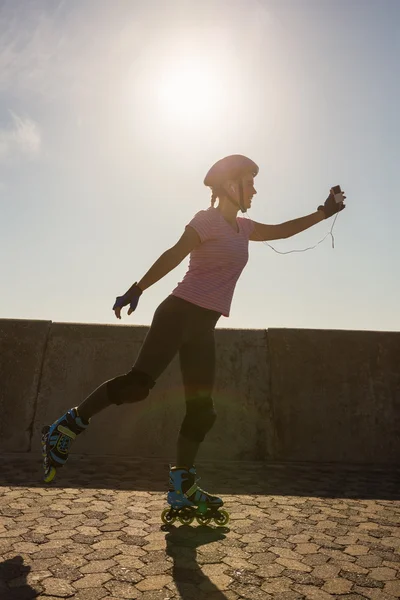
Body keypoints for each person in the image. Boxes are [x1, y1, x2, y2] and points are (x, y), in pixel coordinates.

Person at [41, 155, 345, 519]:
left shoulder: (244, 228)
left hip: (202, 326)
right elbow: (174, 254)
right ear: (230, 185)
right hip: (177, 314)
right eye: (249, 180)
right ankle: (67, 427)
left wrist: (323, 212)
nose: (255, 188)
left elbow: (282, 229)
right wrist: (137, 288)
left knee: (203, 410)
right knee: (139, 385)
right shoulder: (207, 221)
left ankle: (183, 486)